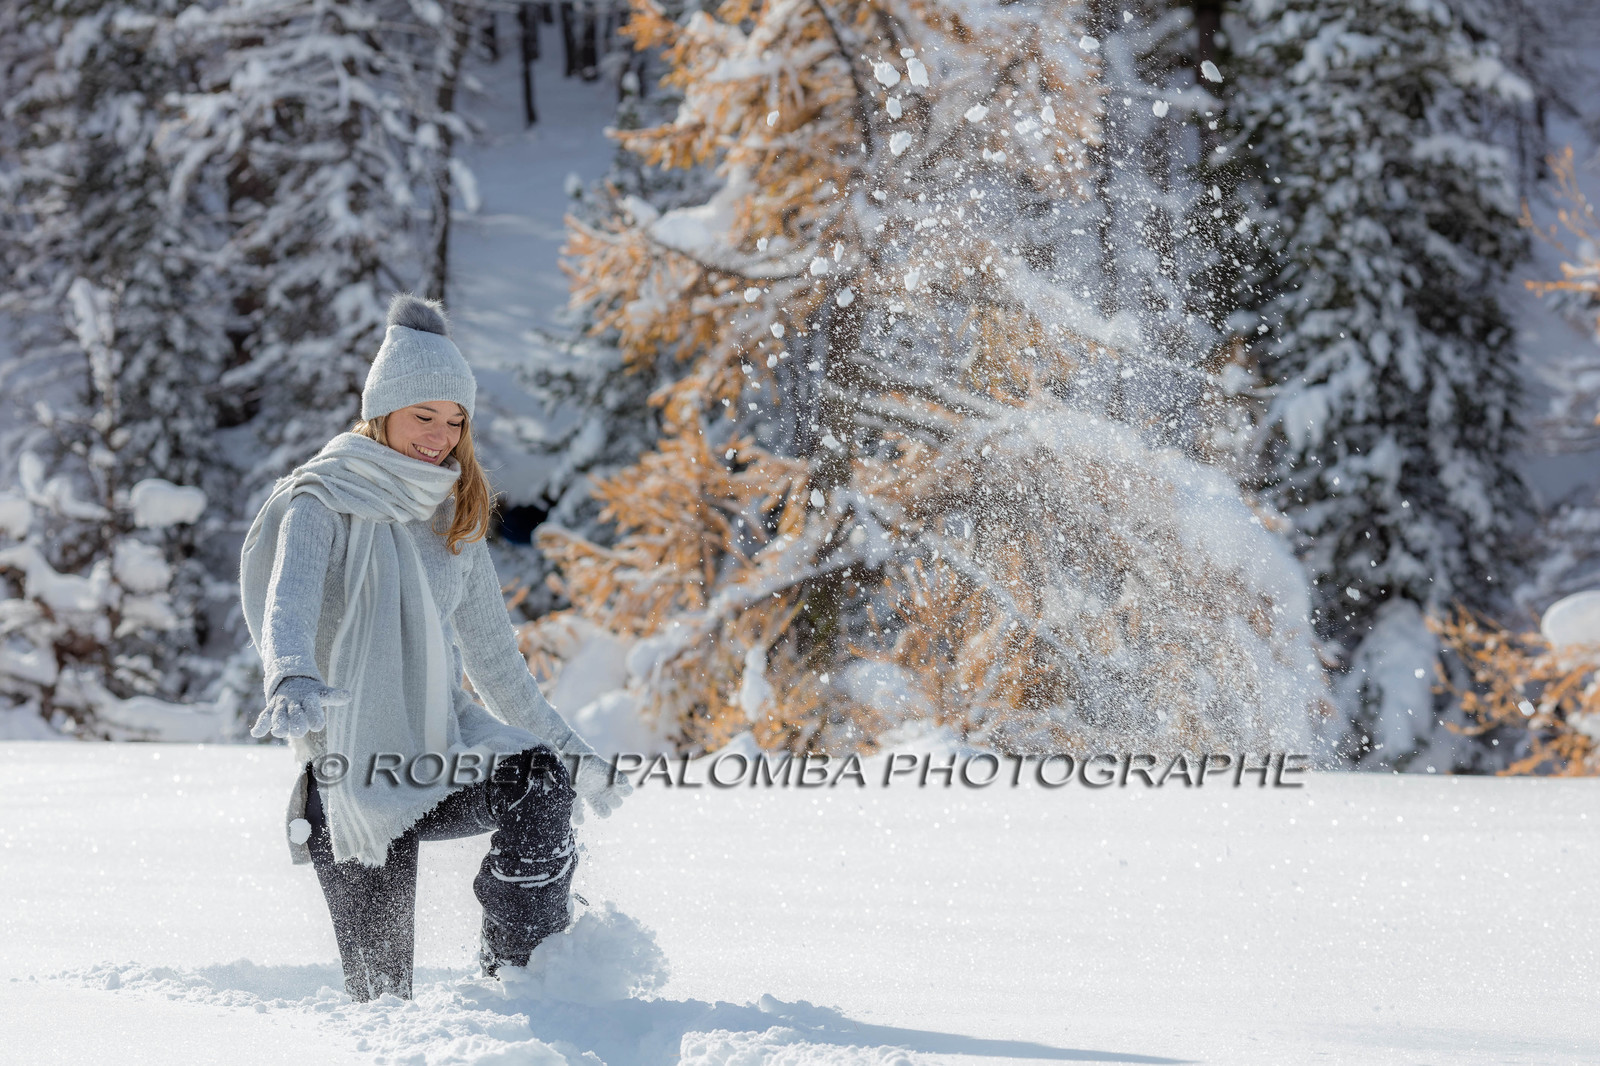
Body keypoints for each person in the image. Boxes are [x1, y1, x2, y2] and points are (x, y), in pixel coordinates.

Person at [237, 292, 631, 1002]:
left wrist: (577, 756)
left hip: (439, 750)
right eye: (425, 416)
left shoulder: (455, 519)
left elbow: (497, 668)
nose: (441, 436)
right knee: (385, 1004)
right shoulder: (320, 499)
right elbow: (285, 604)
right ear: (382, 410)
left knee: (541, 780)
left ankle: (521, 982)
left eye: (455, 422)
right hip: (355, 776)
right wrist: (290, 674)